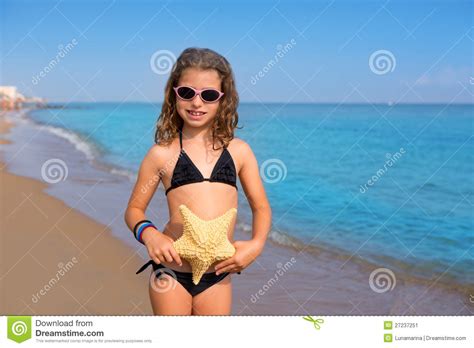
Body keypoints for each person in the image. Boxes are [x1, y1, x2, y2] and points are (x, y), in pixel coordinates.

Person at [124, 47, 272, 315]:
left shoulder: (239, 151)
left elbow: (261, 207)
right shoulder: (161, 154)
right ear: (174, 93)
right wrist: (150, 235)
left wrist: (256, 245)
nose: (197, 103)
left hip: (217, 273)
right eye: (187, 93)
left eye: (209, 95)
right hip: (171, 270)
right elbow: (133, 210)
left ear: (223, 99)